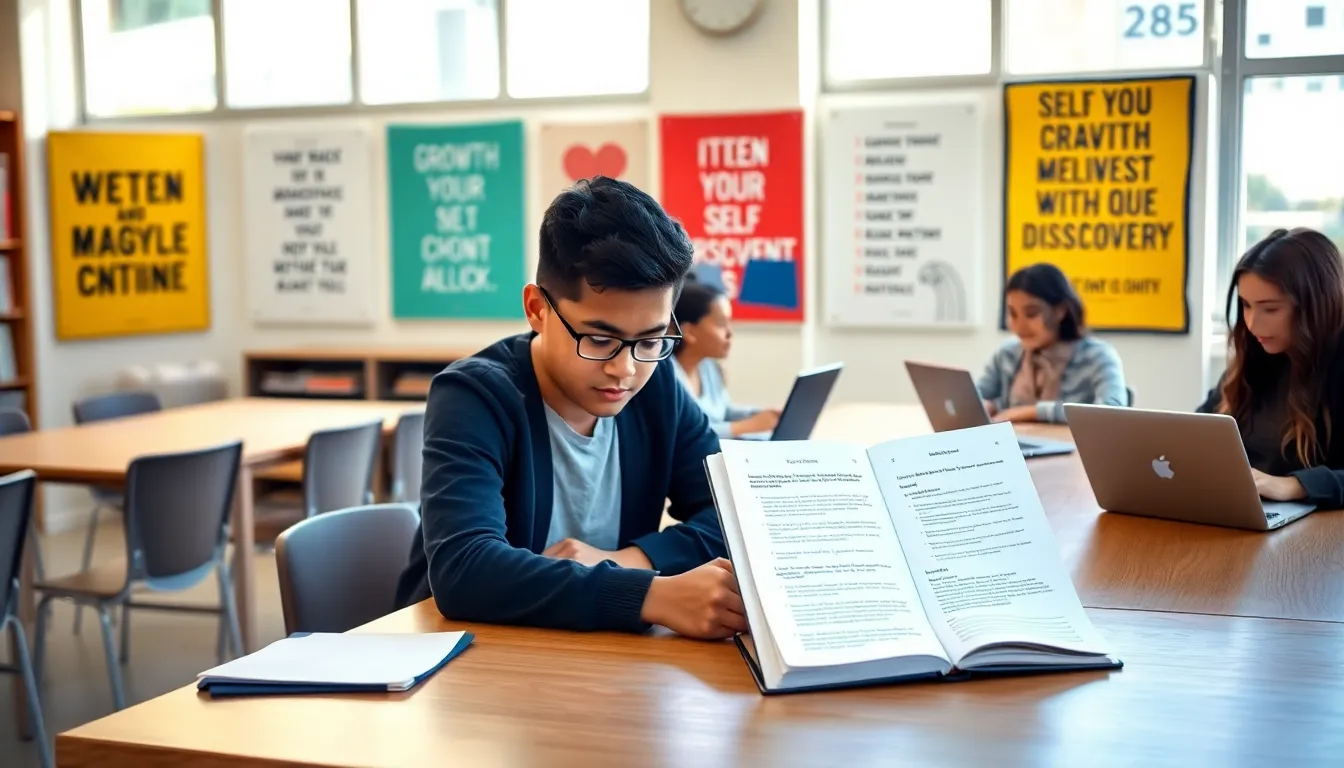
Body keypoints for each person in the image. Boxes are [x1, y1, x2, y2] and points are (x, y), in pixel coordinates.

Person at [394, 176, 747, 640]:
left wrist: (629, 562)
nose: (624, 369)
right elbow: (465, 570)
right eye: (599, 339)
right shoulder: (474, 396)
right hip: (462, 659)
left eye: (651, 340)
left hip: (595, 658)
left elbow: (736, 516)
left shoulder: (656, 382)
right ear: (538, 309)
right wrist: (649, 595)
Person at [1197, 227, 1344, 509]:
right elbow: (1200, 427)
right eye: (1246, 305)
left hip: (1316, 538)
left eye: (1270, 309)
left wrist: (1294, 485)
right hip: (1244, 516)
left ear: (1315, 305)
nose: (1252, 324)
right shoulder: (1256, 354)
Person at [977, 263, 1128, 423]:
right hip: (1017, 445)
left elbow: (1113, 412)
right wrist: (987, 406)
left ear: (1060, 311)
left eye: (1031, 314)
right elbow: (974, 398)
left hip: (1072, 447)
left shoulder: (1097, 356)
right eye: (1013, 314)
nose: (1019, 326)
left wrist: (1033, 412)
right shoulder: (1008, 354)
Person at [670, 278, 780, 438]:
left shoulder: (708, 365)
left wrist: (763, 415)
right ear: (689, 331)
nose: (730, 333)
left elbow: (725, 411)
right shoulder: (667, 376)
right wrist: (749, 425)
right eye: (721, 324)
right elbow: (683, 434)